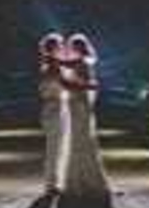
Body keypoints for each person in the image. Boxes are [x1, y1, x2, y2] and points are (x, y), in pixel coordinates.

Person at [56, 31, 109, 197]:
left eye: (73, 47)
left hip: (79, 103)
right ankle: (79, 179)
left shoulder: (83, 64)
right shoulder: (79, 63)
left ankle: (81, 181)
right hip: (75, 102)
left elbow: (85, 85)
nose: (70, 50)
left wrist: (66, 84)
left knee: (81, 140)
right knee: (77, 140)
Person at [37, 33, 67, 194]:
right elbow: (49, 89)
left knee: (56, 147)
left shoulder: (50, 64)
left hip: (55, 107)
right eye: (59, 46)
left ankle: (54, 182)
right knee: (54, 148)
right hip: (54, 108)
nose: (62, 49)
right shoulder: (52, 66)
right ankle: (51, 184)